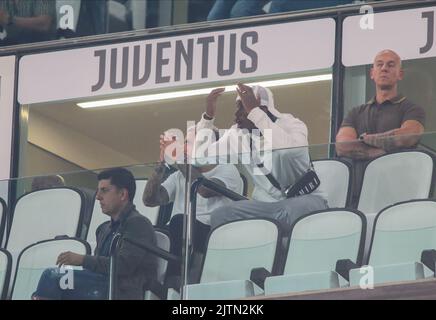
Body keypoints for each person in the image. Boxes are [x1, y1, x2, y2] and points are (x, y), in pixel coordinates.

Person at [195, 83, 328, 229]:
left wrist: (255, 113)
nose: (236, 115)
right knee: (221, 215)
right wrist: (208, 118)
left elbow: (287, 151)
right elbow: (200, 157)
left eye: (242, 108)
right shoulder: (238, 135)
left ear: (263, 109)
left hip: (304, 200)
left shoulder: (292, 124)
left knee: (292, 211)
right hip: (266, 206)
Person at [32, 167, 157, 300]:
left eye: (104, 190)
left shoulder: (138, 224)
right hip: (101, 286)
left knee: (52, 276)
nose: (97, 197)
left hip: (121, 290)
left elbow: (123, 266)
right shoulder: (104, 228)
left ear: (122, 194)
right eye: (98, 191)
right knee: (51, 282)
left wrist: (82, 259)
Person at [143, 133, 243, 277]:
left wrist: (178, 158)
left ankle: (174, 280)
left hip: (213, 233)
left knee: (179, 222)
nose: (185, 148)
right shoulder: (179, 175)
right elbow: (150, 200)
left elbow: (203, 189)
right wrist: (160, 166)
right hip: (179, 229)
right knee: (146, 231)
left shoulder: (227, 169)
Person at [336, 49, 426, 205]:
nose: (384, 68)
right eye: (379, 64)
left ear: (400, 74)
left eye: (391, 65)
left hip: (398, 193)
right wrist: (379, 151)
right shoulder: (355, 112)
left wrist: (367, 139)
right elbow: (342, 146)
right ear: (372, 73)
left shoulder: (412, 109)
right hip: (359, 193)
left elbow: (408, 136)